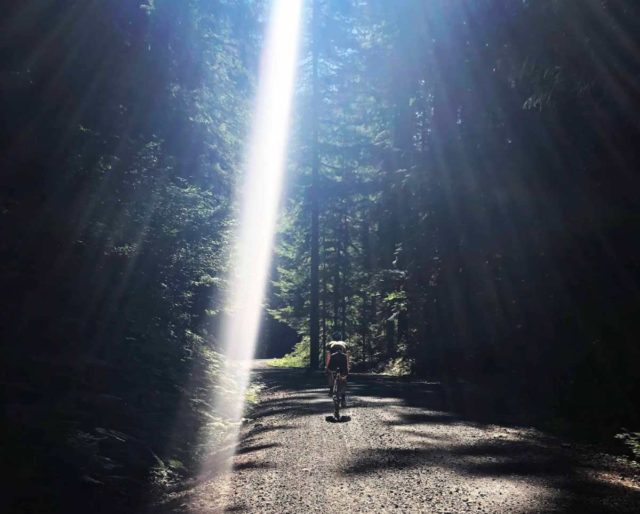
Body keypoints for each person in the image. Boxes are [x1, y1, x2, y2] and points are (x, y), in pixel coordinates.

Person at [326, 340, 349, 407]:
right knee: (343, 379)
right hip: (343, 360)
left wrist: (327, 368)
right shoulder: (344, 344)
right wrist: (347, 369)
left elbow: (328, 356)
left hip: (333, 359)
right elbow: (347, 358)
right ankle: (343, 399)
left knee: (329, 373)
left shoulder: (330, 344)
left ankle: (331, 389)